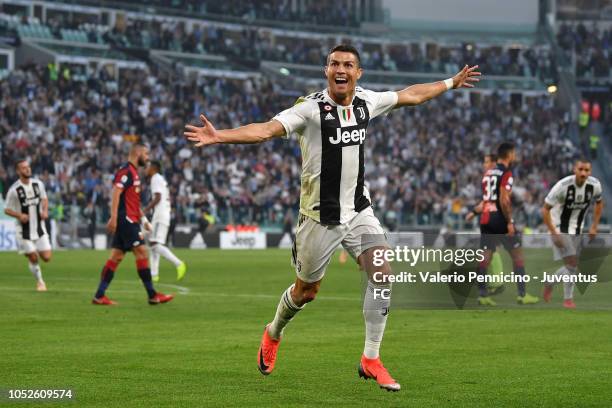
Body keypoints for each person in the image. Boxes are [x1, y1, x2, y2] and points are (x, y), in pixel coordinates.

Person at [185, 44, 480, 391]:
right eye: (335, 64)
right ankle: (274, 331)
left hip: (358, 210)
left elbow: (410, 95)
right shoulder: (309, 110)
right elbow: (265, 130)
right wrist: (221, 136)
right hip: (319, 218)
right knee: (305, 292)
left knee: (383, 273)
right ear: (326, 71)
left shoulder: (367, 102)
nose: (341, 69)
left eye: (349, 65)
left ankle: (371, 358)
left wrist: (450, 82)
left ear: (358, 73)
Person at [92, 144, 174, 306]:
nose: (148, 157)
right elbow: (116, 192)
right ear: (137, 153)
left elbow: (133, 202)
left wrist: (144, 220)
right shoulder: (126, 171)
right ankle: (152, 295)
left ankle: (99, 295)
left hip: (130, 219)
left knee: (116, 257)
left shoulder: (134, 173)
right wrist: (113, 217)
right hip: (126, 221)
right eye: (146, 153)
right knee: (142, 253)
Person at [475, 142, 539, 306]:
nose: (515, 156)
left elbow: (486, 197)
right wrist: (509, 221)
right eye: (514, 153)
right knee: (517, 256)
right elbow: (504, 199)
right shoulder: (507, 173)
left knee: (485, 258)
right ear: (509, 155)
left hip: (486, 217)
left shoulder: (488, 173)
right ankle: (522, 295)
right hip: (500, 219)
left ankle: (482, 295)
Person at [541, 158, 603, 308]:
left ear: (590, 171)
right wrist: (553, 232)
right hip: (559, 226)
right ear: (574, 169)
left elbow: (599, 202)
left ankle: (550, 282)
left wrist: (594, 226)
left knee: (572, 267)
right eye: (580, 169)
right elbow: (545, 209)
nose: (583, 173)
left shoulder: (594, 185)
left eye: (586, 170)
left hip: (577, 228)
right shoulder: (562, 186)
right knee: (572, 263)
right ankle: (568, 300)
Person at [4, 159, 52, 291]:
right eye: (24, 168)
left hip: (39, 227)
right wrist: (19, 215)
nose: (27, 169)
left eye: (28, 167)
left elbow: (44, 199)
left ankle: (32, 253)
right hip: (23, 230)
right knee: (33, 256)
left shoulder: (38, 184)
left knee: (47, 257)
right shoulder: (14, 190)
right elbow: (6, 209)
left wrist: (45, 211)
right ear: (18, 171)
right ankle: (40, 282)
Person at [465, 153, 504, 295]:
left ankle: (485, 285)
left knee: (485, 253)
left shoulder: (489, 177)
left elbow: (488, 202)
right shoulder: (499, 177)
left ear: (494, 163)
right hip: (497, 218)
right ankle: (496, 282)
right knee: (494, 250)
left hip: (490, 218)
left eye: (486, 162)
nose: (484, 165)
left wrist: (473, 212)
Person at [143, 161, 186, 282]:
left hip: (160, 215)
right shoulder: (160, 179)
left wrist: (145, 210)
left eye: (147, 167)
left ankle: (178, 263)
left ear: (154, 168)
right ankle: (154, 275)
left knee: (154, 244)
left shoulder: (155, 178)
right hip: (163, 213)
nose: (146, 169)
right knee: (153, 244)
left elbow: (158, 197)